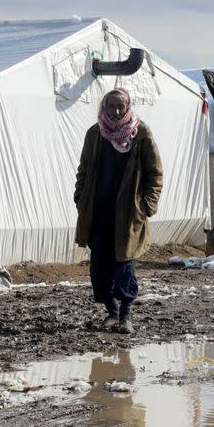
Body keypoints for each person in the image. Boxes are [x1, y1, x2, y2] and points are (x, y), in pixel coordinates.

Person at [74, 88, 163, 334]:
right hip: (98, 212)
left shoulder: (140, 133)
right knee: (99, 267)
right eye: (110, 106)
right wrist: (80, 196)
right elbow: (83, 169)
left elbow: (154, 173)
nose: (114, 111)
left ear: (127, 108)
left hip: (127, 214)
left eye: (119, 107)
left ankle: (126, 315)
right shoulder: (95, 134)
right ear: (103, 107)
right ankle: (111, 311)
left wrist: (146, 206)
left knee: (123, 264)